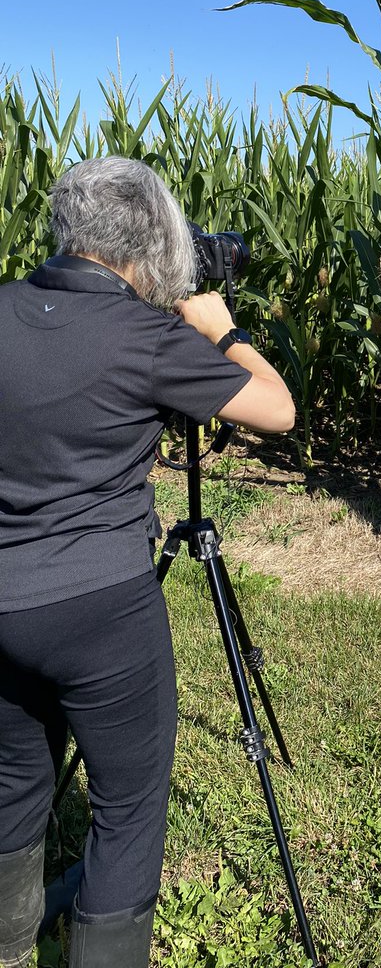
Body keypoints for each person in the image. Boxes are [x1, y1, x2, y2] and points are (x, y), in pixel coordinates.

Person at [0, 157, 294, 968]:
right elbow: (277, 408)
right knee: (127, 811)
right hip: (102, 609)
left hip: (2, 606)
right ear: (149, 240)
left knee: (13, 789)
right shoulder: (149, 335)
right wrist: (221, 328)